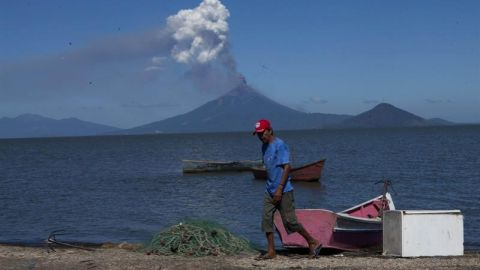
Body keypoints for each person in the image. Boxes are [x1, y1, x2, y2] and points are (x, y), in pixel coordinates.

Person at [253, 119, 321, 260]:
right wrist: (272, 187)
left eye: (262, 133)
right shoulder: (264, 147)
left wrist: (279, 188)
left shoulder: (280, 145)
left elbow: (287, 168)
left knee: (290, 222)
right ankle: (271, 251)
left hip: (284, 191)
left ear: (269, 130)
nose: (260, 137)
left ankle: (312, 241)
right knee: (266, 220)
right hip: (269, 190)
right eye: (258, 134)